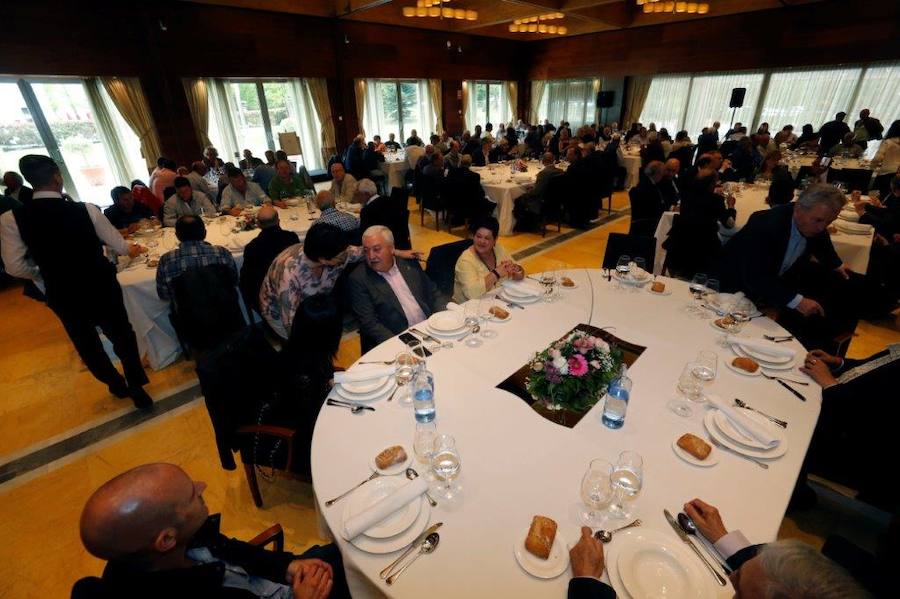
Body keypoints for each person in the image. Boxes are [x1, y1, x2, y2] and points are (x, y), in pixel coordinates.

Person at [0, 155, 152, 409]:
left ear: (29, 180)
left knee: (87, 344)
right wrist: (129, 248)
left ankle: (115, 383)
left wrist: (42, 274)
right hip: (101, 284)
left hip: (62, 291)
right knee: (122, 335)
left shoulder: (11, 220)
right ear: (57, 177)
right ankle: (136, 386)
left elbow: (14, 267)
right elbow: (119, 245)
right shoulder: (86, 209)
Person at [77, 463, 349, 598]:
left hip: (279, 580)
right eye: (191, 494)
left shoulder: (185, 537)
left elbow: (234, 550)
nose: (202, 486)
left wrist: (287, 566)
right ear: (166, 539)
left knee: (353, 546)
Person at [716, 183, 859, 352]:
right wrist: (798, 301)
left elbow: (823, 242)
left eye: (829, 222)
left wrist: (837, 265)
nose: (822, 227)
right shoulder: (765, 224)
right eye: (819, 220)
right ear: (798, 208)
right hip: (728, 287)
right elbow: (755, 277)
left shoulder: (813, 223)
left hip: (759, 290)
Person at [348, 225, 442, 352]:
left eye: (376, 249)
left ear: (392, 248)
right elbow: (370, 324)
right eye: (366, 250)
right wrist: (404, 347)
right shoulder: (359, 279)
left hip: (428, 329)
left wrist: (447, 316)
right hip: (397, 341)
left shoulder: (409, 262)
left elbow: (433, 292)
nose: (371, 256)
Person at [663, 173, 736, 277]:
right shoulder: (716, 200)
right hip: (704, 246)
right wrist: (731, 206)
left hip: (679, 245)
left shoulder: (686, 197)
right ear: (711, 185)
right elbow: (729, 224)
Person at [155, 215, 237, 302]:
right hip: (225, 310)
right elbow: (234, 281)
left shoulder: (167, 260)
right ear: (205, 233)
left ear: (177, 236)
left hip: (189, 313)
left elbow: (164, 295)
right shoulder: (221, 252)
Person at [239, 205, 299, 314]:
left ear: (258, 224)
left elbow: (246, 279)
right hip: (293, 288)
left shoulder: (252, 247)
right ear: (278, 221)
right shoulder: (291, 237)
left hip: (269, 297)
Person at [453, 217, 523, 302]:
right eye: (478, 236)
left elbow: (520, 274)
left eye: (487, 238)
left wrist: (516, 270)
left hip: (495, 301)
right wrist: (496, 273)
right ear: (473, 236)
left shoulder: (499, 249)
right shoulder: (465, 261)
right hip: (468, 308)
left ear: (495, 239)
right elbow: (471, 294)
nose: (481, 241)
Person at [628, 161, 676, 237]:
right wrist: (671, 208)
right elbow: (656, 206)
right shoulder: (649, 188)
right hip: (648, 223)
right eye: (661, 174)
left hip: (641, 222)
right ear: (657, 174)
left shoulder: (645, 182)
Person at [871, 120, 900, 196]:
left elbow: (877, 158)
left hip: (886, 173)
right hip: (898, 174)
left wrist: (872, 167)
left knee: (880, 195)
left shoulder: (888, 142)